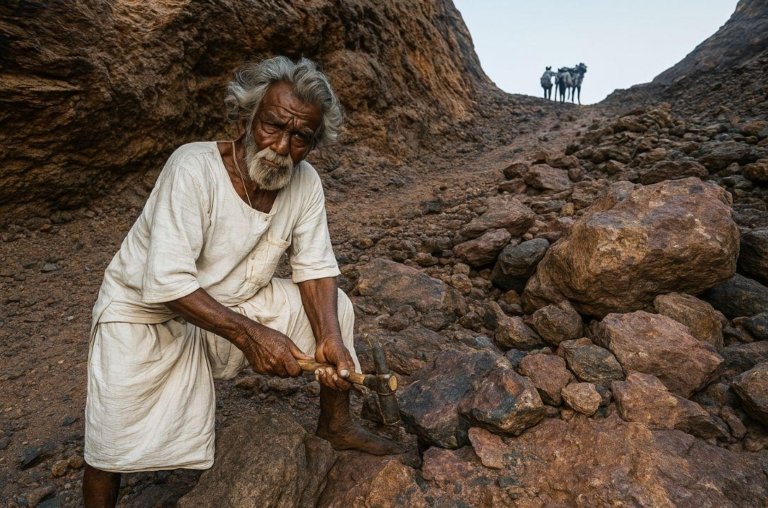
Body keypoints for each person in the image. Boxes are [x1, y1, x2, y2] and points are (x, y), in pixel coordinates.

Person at [82, 56, 404, 507]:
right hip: (146, 311)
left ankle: (336, 424)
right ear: (246, 116)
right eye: (272, 126)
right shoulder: (193, 167)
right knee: (110, 441)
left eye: (300, 138)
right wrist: (251, 335)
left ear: (313, 144)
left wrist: (330, 338)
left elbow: (315, 267)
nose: (281, 146)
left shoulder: (305, 182)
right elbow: (168, 282)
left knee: (337, 310)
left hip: (233, 300)